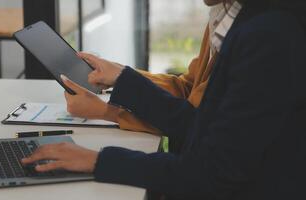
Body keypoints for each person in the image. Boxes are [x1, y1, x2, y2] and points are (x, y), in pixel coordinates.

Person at [22, 0, 306, 199]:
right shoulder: (247, 19)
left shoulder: (268, 35)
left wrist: (98, 158)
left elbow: (211, 171)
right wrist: (122, 78)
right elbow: (200, 115)